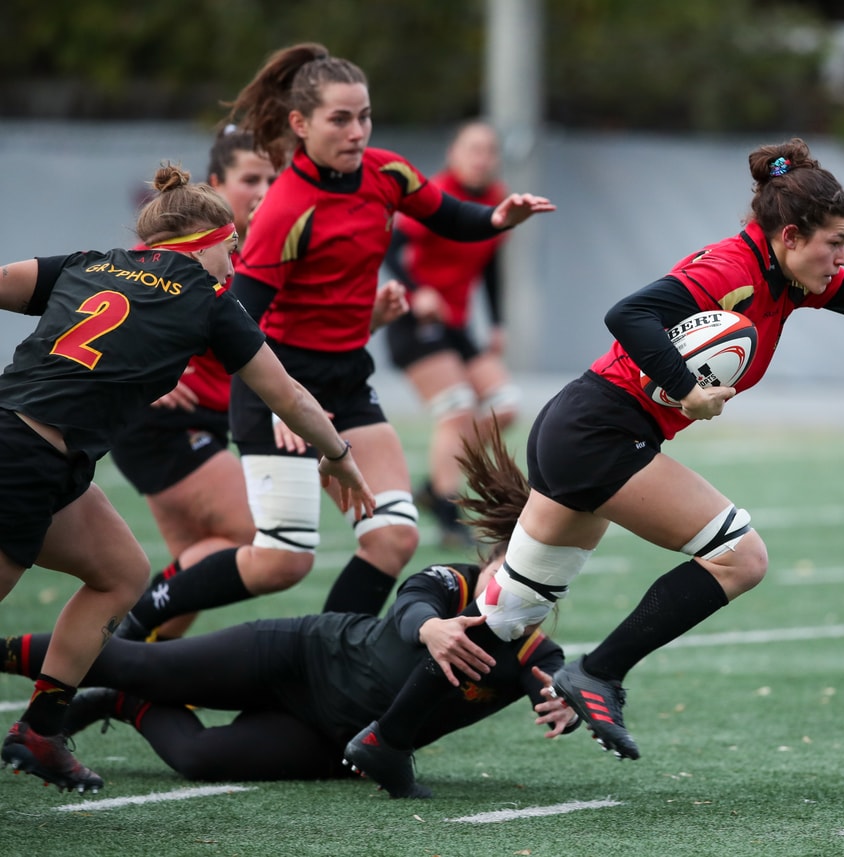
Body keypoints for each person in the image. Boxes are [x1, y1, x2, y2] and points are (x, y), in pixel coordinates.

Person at [338, 137, 844, 797]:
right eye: (834, 242)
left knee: (509, 615)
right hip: (599, 431)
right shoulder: (732, 269)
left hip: (582, 428)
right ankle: (600, 672)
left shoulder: (792, 278)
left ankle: (386, 740)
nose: (842, 257)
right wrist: (687, 387)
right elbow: (627, 313)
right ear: (789, 237)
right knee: (740, 556)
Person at [114, 43, 555, 643]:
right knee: (282, 561)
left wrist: (497, 218)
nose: (357, 131)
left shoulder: (387, 172)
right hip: (278, 385)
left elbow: (448, 214)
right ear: (301, 124)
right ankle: (130, 631)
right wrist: (283, 402)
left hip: (348, 382)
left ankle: (324, 670)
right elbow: (238, 320)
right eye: (340, 119)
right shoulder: (286, 209)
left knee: (394, 537)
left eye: (365, 116)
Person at [0, 163, 374, 794]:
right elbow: (288, 395)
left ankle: (40, 730)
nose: (237, 259)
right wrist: (337, 454)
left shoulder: (90, 261)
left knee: (121, 573)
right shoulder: (209, 302)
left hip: (46, 454)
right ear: (207, 242)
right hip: (24, 456)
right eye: (233, 246)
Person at [1, 420, 577, 797]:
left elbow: (551, 678)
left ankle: (123, 706)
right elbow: (409, 606)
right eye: (514, 575)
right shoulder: (454, 581)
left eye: (542, 589)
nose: (523, 595)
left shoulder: (531, 646)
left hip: (333, 737)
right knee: (137, 662)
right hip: (303, 656)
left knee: (200, 758)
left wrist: (565, 704)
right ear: (496, 563)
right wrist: (431, 630)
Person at [108, 126, 277, 641]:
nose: (266, 190)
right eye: (251, 179)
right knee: (254, 536)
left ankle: (127, 670)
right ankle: (121, 641)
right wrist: (153, 363)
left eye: (273, 178)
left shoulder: (257, 247)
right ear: (216, 184)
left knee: (193, 567)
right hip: (159, 422)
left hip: (202, 420)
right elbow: (111, 309)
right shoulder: (187, 246)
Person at [382, 119, 520, 549]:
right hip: (416, 322)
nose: (482, 159)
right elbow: (391, 246)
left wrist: (497, 323)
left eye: (489, 151)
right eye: (472, 149)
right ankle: (447, 509)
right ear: (453, 154)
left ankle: (431, 485)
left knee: (506, 406)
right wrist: (417, 290)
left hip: (458, 326)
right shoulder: (434, 194)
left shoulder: (497, 200)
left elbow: (491, 264)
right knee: (458, 409)